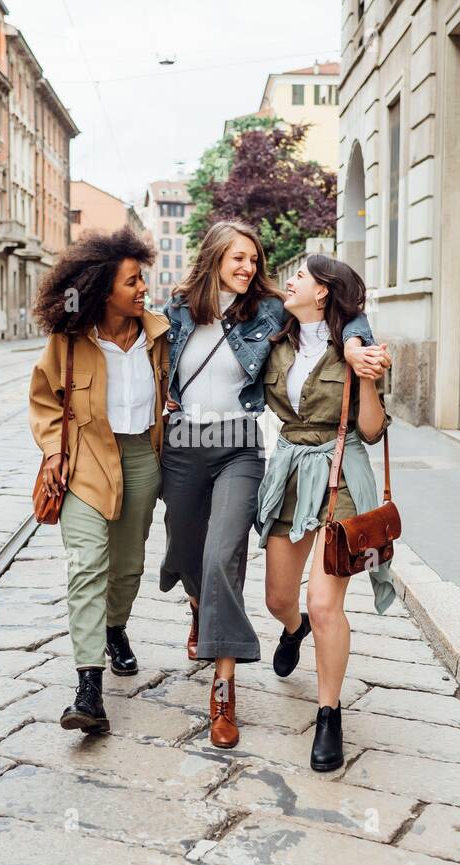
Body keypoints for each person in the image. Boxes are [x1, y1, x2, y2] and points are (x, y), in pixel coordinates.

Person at [158, 220, 388, 748]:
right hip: (194, 450)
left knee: (226, 558)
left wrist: (358, 350)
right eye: (238, 258)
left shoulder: (263, 312)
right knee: (215, 566)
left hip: (265, 455)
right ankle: (240, 615)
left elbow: (349, 314)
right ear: (213, 255)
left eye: (254, 260)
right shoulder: (178, 311)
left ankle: (234, 691)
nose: (250, 269)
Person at [256, 254, 397, 771]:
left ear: (323, 292)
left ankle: (329, 714)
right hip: (290, 470)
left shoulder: (358, 349)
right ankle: (292, 630)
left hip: (340, 472)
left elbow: (373, 430)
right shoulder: (273, 333)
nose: (287, 280)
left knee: (324, 603)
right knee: (277, 599)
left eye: (301, 275)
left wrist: (365, 375)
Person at [29, 227, 167, 734]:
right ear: (104, 288)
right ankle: (88, 687)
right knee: (87, 564)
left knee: (128, 565)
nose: (142, 289)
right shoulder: (68, 340)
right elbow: (44, 400)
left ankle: (115, 628)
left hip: (140, 459)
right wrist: (52, 451)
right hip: (86, 458)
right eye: (132, 281)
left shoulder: (159, 334)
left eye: (141, 279)